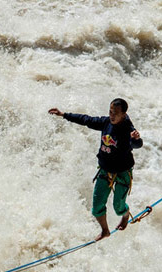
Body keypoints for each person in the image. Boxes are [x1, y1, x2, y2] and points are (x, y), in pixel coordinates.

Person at [48, 98, 143, 241]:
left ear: (123, 115)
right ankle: (105, 230)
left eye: (116, 113)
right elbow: (86, 119)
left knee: (118, 207)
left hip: (123, 172)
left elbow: (137, 144)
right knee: (97, 207)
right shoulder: (106, 122)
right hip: (105, 170)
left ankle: (125, 215)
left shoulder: (128, 130)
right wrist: (64, 114)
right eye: (110, 111)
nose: (112, 115)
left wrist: (135, 139)